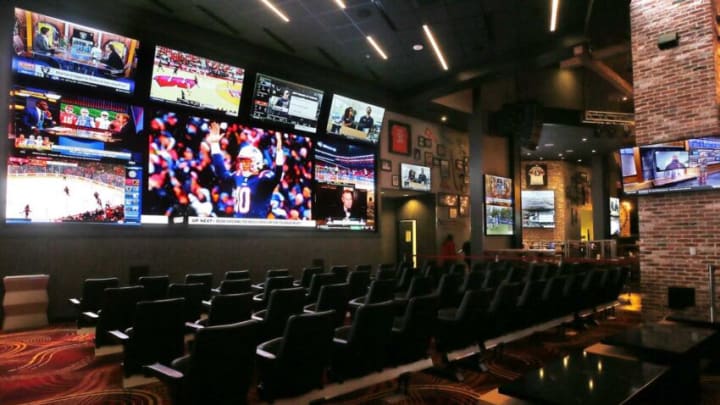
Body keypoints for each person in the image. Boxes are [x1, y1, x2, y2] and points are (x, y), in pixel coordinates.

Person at [207, 122, 285, 218]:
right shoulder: (238, 176)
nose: (243, 164)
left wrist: (279, 153)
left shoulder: (263, 178)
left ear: (257, 161)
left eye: (247, 161)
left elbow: (277, 177)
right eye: (242, 161)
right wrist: (215, 145)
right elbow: (222, 173)